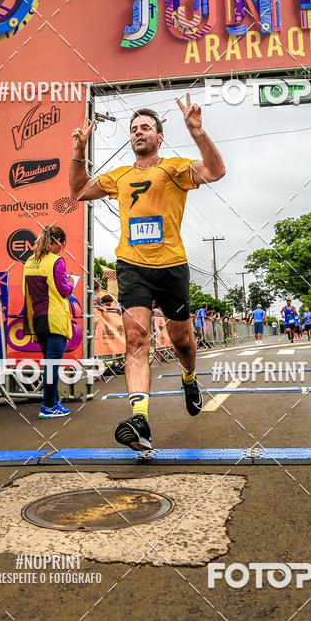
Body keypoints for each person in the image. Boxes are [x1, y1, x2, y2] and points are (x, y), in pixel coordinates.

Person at [69, 96, 226, 451]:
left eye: (145, 128)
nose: (138, 132)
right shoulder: (119, 176)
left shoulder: (174, 168)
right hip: (132, 266)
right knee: (137, 340)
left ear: (159, 137)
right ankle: (140, 421)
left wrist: (198, 133)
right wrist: (79, 153)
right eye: (133, 129)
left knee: (183, 340)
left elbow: (216, 171)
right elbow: (78, 191)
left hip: (171, 266)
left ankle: (189, 378)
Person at [22, 225, 74, 418]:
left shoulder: (29, 261)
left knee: (49, 363)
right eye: (62, 244)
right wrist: (71, 283)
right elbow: (63, 290)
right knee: (52, 365)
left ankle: (55, 402)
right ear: (57, 242)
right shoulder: (56, 261)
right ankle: (48, 406)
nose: (62, 249)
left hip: (37, 318)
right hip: (55, 318)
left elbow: (24, 290)